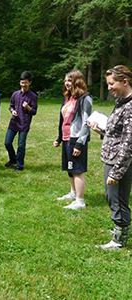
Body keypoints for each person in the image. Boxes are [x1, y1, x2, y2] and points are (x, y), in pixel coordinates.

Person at [89, 65, 132, 250]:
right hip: (112, 158)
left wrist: (116, 172)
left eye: (111, 84)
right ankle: (119, 227)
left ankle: (119, 238)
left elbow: (129, 142)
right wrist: (101, 130)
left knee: (117, 198)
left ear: (125, 81)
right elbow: (117, 133)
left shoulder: (130, 107)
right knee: (112, 197)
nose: (109, 88)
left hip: (119, 162)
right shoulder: (121, 102)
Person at [53, 70, 92, 210]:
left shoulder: (85, 99)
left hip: (76, 139)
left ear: (77, 81)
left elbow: (86, 123)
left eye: (69, 80)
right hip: (66, 138)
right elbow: (62, 119)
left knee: (77, 170)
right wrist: (59, 138)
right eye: (65, 81)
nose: (66, 83)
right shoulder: (68, 98)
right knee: (70, 168)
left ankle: (80, 201)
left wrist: (79, 144)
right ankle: (73, 193)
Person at [4, 71, 38, 171]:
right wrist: (12, 111)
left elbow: (34, 112)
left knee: (21, 145)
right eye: (22, 82)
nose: (24, 85)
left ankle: (20, 165)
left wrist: (28, 107)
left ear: (30, 83)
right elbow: (10, 106)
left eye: (26, 82)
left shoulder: (33, 96)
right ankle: (12, 160)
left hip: (24, 124)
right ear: (20, 83)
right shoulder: (15, 94)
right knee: (7, 142)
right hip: (14, 122)